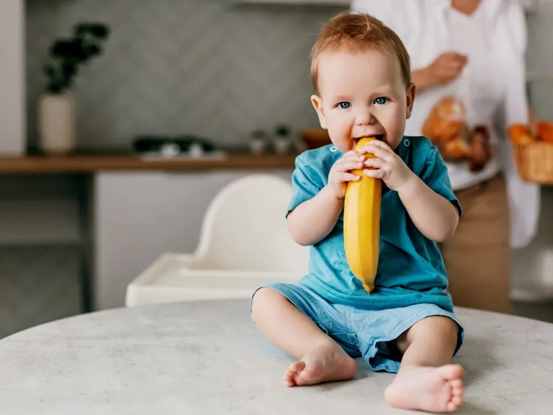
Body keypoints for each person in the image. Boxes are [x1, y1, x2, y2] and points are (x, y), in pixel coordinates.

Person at [251, 12, 464, 413]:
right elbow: (301, 231)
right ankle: (323, 350)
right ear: (321, 111)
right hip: (327, 303)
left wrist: (404, 181)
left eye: (380, 100)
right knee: (267, 300)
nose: (364, 117)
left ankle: (414, 375)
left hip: (405, 306)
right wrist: (332, 192)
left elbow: (444, 226)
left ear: (409, 100)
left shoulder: (421, 159)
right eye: (344, 104)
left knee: (440, 328)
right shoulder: (315, 166)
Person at [351, 0, 541, 313]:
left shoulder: (505, 10)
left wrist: (529, 127)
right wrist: (424, 76)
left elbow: (510, 97)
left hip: (480, 190)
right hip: (398, 193)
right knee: (401, 318)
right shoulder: (386, 5)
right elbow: (351, 82)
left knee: (488, 315)